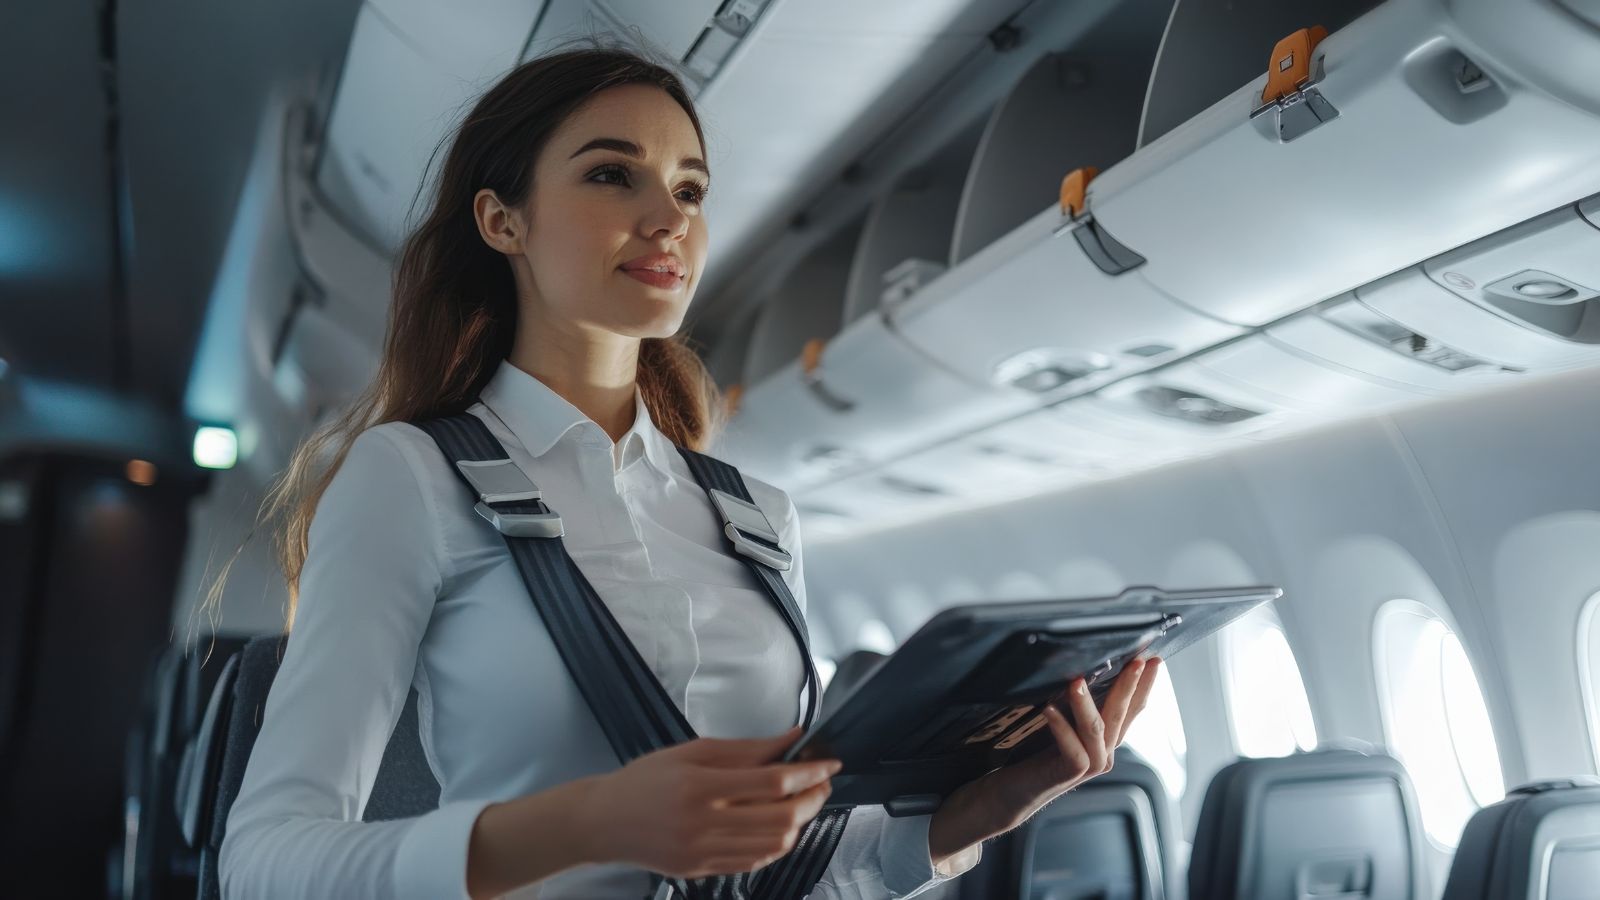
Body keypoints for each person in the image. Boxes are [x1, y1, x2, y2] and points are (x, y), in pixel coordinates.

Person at [214, 43, 1162, 899]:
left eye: (691, 190)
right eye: (612, 176)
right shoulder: (413, 477)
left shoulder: (758, 519)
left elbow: (798, 873)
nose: (668, 218)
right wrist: (587, 822)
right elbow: (265, 860)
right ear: (503, 222)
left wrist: (978, 812)